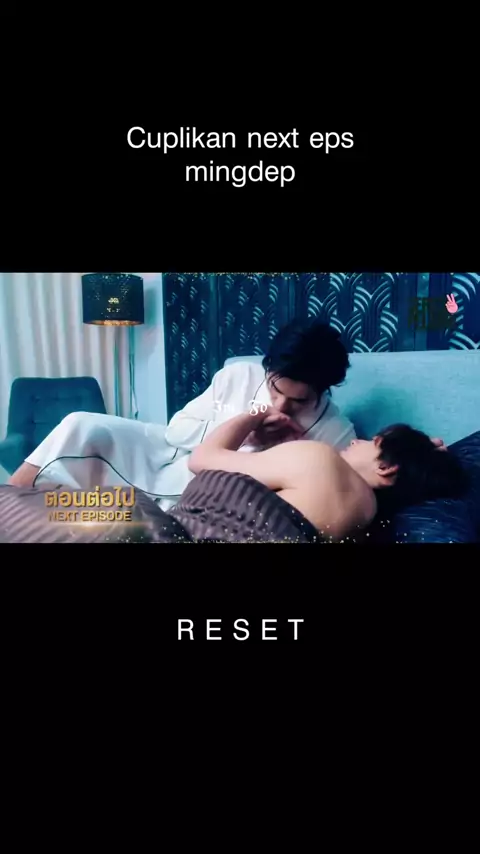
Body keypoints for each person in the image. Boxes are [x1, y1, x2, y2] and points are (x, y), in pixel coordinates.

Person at [7, 320, 357, 508]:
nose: (280, 407)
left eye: (298, 401)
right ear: (268, 369)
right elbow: (176, 430)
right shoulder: (238, 376)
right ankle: (10, 499)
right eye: (275, 390)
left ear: (324, 389)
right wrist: (242, 429)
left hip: (210, 487)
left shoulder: (336, 431)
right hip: (168, 451)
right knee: (81, 422)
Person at [0, 406, 466, 544]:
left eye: (372, 440)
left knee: (21, 501)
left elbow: (202, 458)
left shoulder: (321, 459)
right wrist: (428, 457)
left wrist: (252, 416)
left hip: (148, 531)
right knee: (47, 498)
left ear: (387, 466)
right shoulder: (367, 520)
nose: (356, 441)